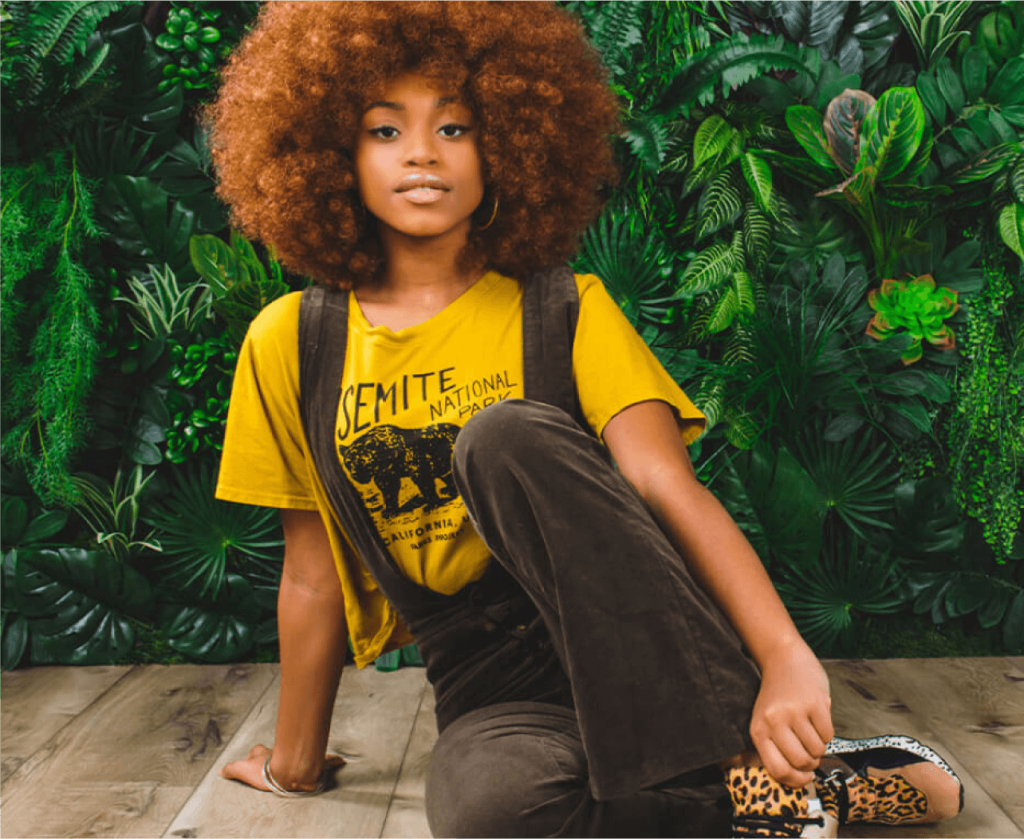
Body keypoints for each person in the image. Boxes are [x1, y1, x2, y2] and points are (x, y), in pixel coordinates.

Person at [206, 2, 964, 837]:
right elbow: (311, 578)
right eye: (386, 131)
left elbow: (664, 486)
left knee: (503, 436)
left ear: (510, 145)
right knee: (486, 810)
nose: (422, 152)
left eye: (455, 127)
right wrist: (294, 764)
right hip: (494, 686)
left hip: (648, 642)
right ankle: (811, 795)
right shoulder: (293, 343)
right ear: (328, 153)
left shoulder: (565, 308)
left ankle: (737, 750)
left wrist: (785, 658)